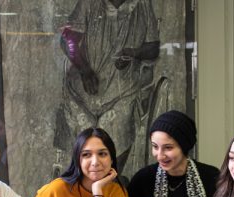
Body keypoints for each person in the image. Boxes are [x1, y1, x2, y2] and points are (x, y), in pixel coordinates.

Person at [58, 0, 160, 176]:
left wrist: (134, 53)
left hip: (122, 93)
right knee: (82, 158)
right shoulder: (89, 3)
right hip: (83, 95)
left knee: (115, 152)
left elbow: (154, 47)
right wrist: (85, 70)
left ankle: (111, 189)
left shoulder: (141, 3)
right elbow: (68, 40)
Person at [125, 110, 219, 197]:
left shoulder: (211, 176)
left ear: (184, 146)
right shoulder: (144, 178)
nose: (160, 155)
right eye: (155, 147)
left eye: (168, 148)